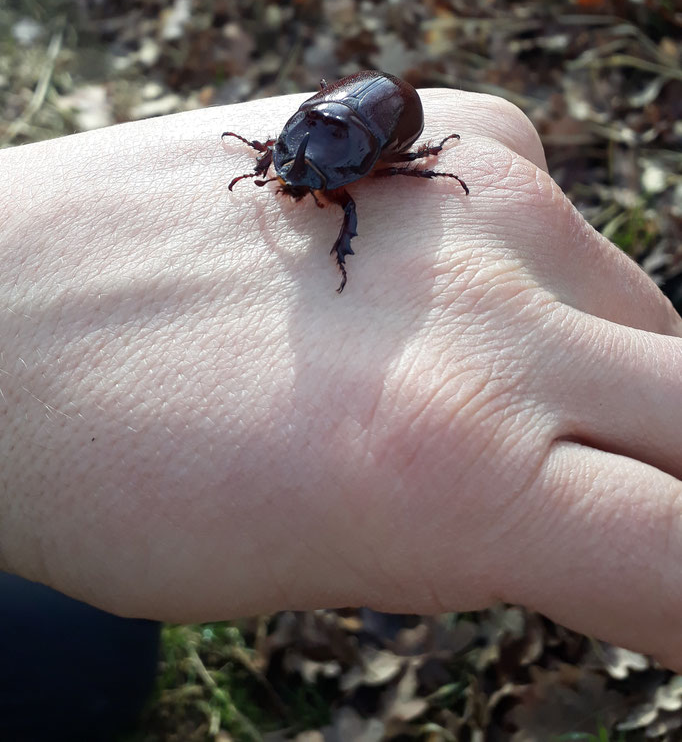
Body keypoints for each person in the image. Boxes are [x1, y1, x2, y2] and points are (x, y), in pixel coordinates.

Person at [1, 85, 681, 701]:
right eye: (289, 166)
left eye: (311, 176)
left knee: (86, 668)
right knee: (88, 671)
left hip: (379, 120)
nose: (295, 184)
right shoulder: (306, 143)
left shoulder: (362, 164)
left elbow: (366, 175)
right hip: (342, 121)